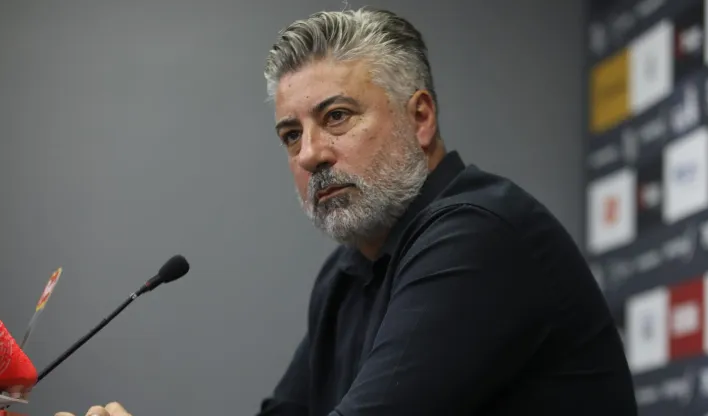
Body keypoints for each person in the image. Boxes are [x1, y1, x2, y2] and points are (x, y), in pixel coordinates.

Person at [54, 7, 638, 416]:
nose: (310, 154)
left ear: (421, 117)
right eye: (290, 134)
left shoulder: (478, 236)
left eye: (336, 117)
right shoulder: (347, 272)